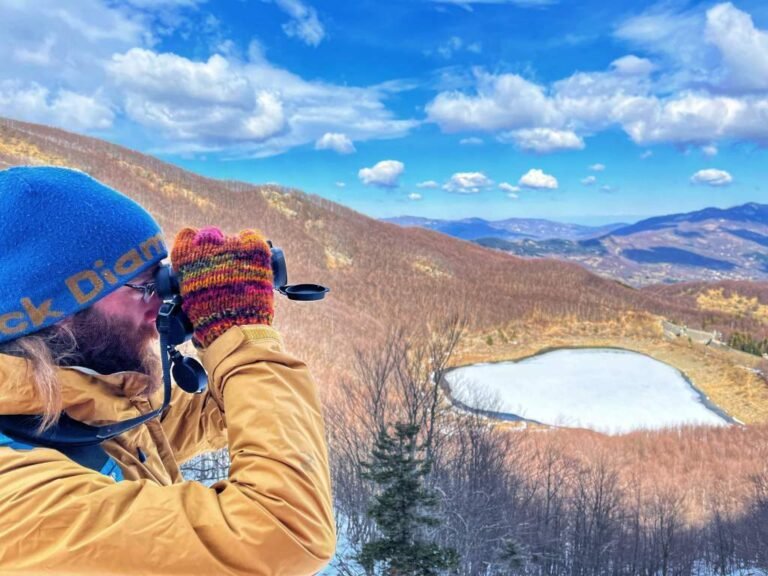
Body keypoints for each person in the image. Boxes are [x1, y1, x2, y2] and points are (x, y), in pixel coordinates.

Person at [0, 166, 336, 574]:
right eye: (145, 286)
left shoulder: (69, 401)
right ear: (56, 310)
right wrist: (242, 332)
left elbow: (180, 421)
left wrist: (222, 332)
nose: (161, 303)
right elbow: (284, 532)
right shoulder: (18, 502)